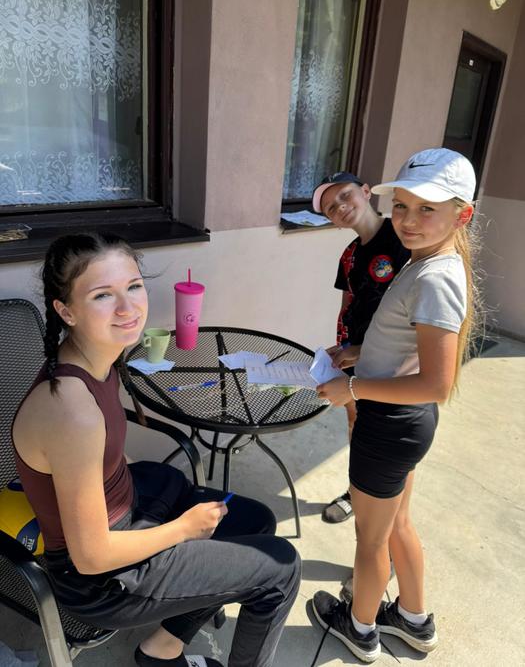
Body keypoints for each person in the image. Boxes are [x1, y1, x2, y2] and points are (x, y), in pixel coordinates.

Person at [11, 233, 301, 667]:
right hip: (102, 579)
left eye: (133, 286)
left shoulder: (101, 359)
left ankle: (161, 649)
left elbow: (99, 460)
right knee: (280, 568)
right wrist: (182, 529)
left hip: (132, 508)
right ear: (66, 311)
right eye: (102, 295)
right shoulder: (72, 411)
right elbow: (91, 557)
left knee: (254, 520)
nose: (127, 308)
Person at [311, 148, 478, 662]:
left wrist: (354, 389)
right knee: (398, 524)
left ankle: (360, 628)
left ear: (462, 215)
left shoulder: (434, 276)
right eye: (402, 205)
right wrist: (362, 351)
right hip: (400, 424)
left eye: (427, 208)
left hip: (389, 424)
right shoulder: (423, 261)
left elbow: (436, 384)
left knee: (370, 538)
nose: (408, 220)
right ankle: (413, 619)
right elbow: (406, 342)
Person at [312, 172, 409, 524]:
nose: (339, 207)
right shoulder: (350, 255)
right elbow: (348, 306)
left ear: (366, 192)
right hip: (355, 357)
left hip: (395, 363)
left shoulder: (402, 238)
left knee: (391, 441)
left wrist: (365, 349)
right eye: (330, 208)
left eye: (344, 195)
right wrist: (341, 349)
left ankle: (387, 511)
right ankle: (357, 491)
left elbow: (413, 316)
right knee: (357, 423)